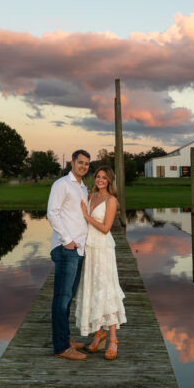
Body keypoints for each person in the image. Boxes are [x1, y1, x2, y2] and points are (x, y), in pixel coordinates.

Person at [75, 166, 126, 360]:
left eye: (104, 177)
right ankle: (99, 332)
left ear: (110, 180)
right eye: (98, 176)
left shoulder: (111, 200)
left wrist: (87, 216)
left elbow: (105, 228)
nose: (100, 180)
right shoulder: (90, 197)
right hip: (89, 248)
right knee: (93, 287)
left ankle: (113, 338)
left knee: (106, 288)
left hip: (103, 249)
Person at [47, 149, 91, 360]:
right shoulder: (61, 185)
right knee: (61, 299)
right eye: (80, 162)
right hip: (67, 249)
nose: (83, 166)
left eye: (86, 164)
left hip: (79, 249)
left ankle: (66, 340)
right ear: (72, 163)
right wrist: (68, 241)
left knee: (68, 298)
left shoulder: (83, 187)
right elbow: (52, 213)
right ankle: (61, 347)